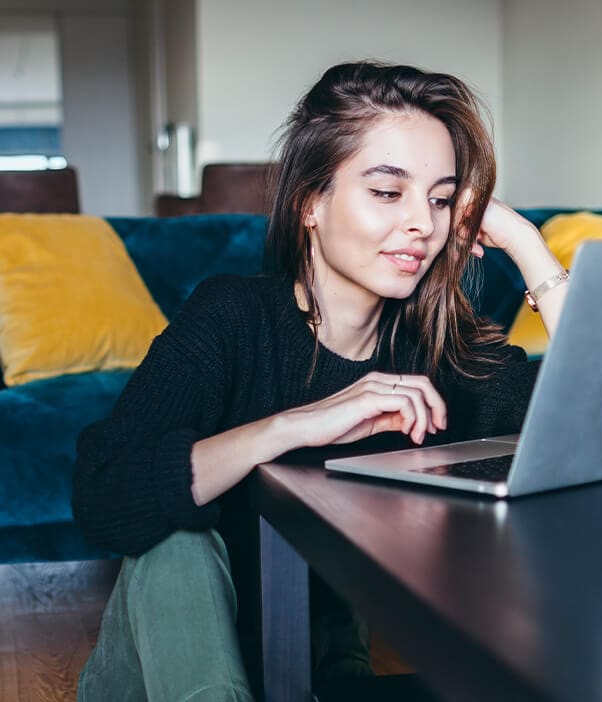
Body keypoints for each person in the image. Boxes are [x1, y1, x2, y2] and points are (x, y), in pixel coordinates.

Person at [72, 61, 569, 702]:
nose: (423, 222)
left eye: (441, 199)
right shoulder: (233, 317)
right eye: (389, 192)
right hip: (155, 673)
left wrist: (528, 246)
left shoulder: (441, 351)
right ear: (311, 202)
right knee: (177, 538)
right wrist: (291, 427)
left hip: (309, 671)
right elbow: (104, 496)